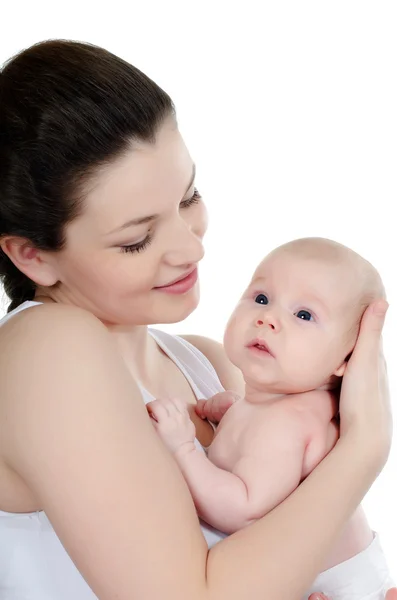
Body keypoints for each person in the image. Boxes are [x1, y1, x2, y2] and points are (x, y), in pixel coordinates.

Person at [0, 39, 394, 600]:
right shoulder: (46, 349)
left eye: (189, 197)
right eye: (137, 240)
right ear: (32, 255)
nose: (191, 249)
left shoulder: (206, 364)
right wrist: (364, 450)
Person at [148, 237, 394, 599]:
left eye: (304, 315)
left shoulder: (288, 424)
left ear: (348, 358)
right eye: (261, 298)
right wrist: (233, 411)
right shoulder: (280, 407)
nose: (269, 318)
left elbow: (243, 510)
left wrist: (184, 447)